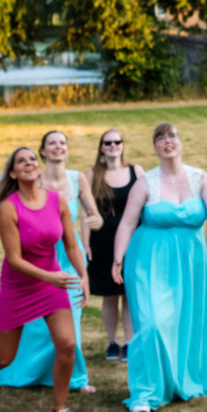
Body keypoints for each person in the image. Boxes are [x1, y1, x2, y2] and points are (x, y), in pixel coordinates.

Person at [0, 146, 90, 412]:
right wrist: (51, 277)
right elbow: (15, 260)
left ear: (39, 167)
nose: (29, 163)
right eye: (21, 160)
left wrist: (82, 275)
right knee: (5, 357)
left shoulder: (57, 201)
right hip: (19, 287)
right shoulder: (9, 207)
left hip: (50, 281)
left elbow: (69, 243)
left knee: (66, 344)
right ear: (13, 173)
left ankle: (61, 408)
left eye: (32, 158)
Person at [109, 123, 207, 412]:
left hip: (190, 260)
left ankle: (182, 380)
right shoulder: (145, 182)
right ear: (154, 147)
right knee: (151, 324)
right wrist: (117, 258)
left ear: (180, 142)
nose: (167, 142)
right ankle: (145, 393)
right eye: (161, 138)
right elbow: (127, 222)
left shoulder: (200, 177)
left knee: (186, 323)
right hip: (149, 260)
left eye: (172, 136)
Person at [0, 130, 98, 393]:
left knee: (71, 322)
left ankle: (76, 379)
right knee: (36, 326)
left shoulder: (77, 179)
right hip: (40, 258)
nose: (58, 147)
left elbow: (92, 212)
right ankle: (33, 373)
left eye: (62, 143)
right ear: (43, 151)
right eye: (52, 143)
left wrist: (94, 225)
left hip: (69, 255)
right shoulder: (32, 183)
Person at [85, 127, 136, 361]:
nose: (113, 146)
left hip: (131, 241)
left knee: (128, 293)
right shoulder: (92, 174)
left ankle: (129, 342)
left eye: (117, 141)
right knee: (109, 294)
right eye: (108, 143)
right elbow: (87, 214)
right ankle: (112, 343)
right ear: (101, 148)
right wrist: (85, 244)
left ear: (123, 145)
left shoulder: (136, 172)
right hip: (102, 241)